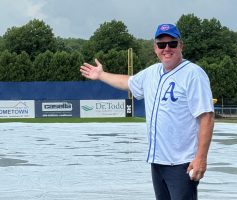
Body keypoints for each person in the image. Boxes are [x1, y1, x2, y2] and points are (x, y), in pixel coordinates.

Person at [80, 23, 214, 200]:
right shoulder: (152, 72)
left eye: (172, 44)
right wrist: (101, 75)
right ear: (155, 48)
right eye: (161, 44)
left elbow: (207, 117)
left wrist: (201, 158)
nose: (167, 48)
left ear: (181, 45)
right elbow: (128, 82)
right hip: (157, 162)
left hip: (182, 163)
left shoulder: (193, 74)